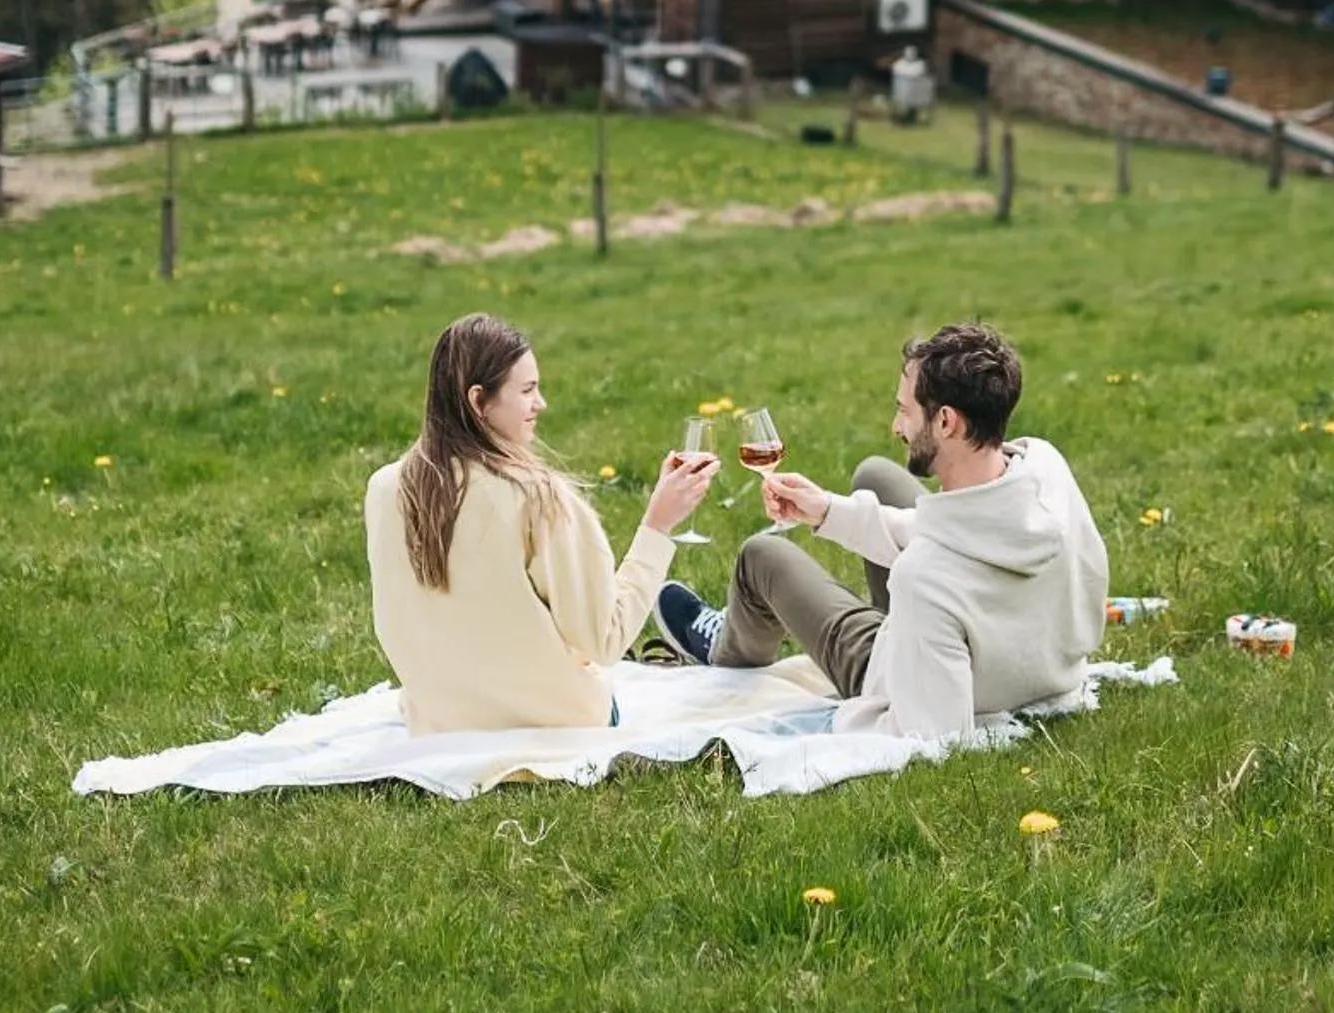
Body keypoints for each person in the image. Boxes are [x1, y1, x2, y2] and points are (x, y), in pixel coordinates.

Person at [655, 322, 1106, 739]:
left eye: (904, 411)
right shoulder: (1044, 467)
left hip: (909, 667)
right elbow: (955, 535)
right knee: (876, 474)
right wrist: (825, 511)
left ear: (946, 421)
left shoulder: (924, 578)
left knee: (762, 556)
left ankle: (725, 649)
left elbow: (932, 735)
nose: (896, 427)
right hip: (1031, 658)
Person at [368, 314, 718, 735]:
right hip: (554, 720)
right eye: (528, 390)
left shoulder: (385, 488)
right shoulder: (537, 496)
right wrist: (657, 524)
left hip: (439, 721)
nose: (541, 403)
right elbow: (605, 640)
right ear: (478, 401)